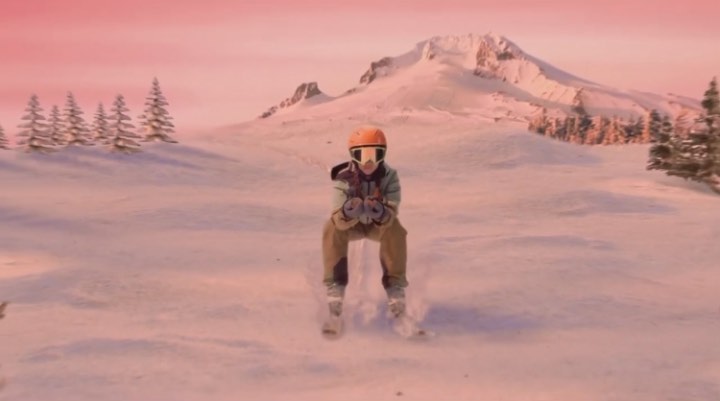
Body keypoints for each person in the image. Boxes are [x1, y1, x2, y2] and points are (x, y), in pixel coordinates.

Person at [322, 126, 408, 318]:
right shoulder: (343, 178)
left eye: (375, 155)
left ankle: (395, 286)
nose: (368, 162)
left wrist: (382, 213)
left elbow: (393, 207)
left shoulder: (389, 176)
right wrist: (347, 212)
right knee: (331, 227)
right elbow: (337, 216)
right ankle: (335, 284)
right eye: (361, 155)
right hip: (352, 225)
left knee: (396, 229)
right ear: (353, 156)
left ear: (383, 155)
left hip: (377, 226)